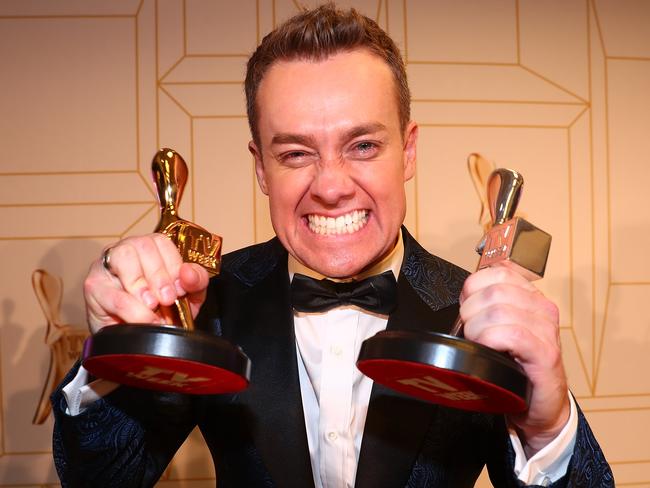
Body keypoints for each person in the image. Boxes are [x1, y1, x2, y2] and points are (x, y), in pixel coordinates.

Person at [52, 4, 613, 487]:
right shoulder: (204, 299)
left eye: (363, 145)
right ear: (261, 169)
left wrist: (547, 423)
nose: (331, 185)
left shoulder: (475, 309)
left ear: (409, 151)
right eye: (296, 153)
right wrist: (116, 356)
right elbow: (101, 477)